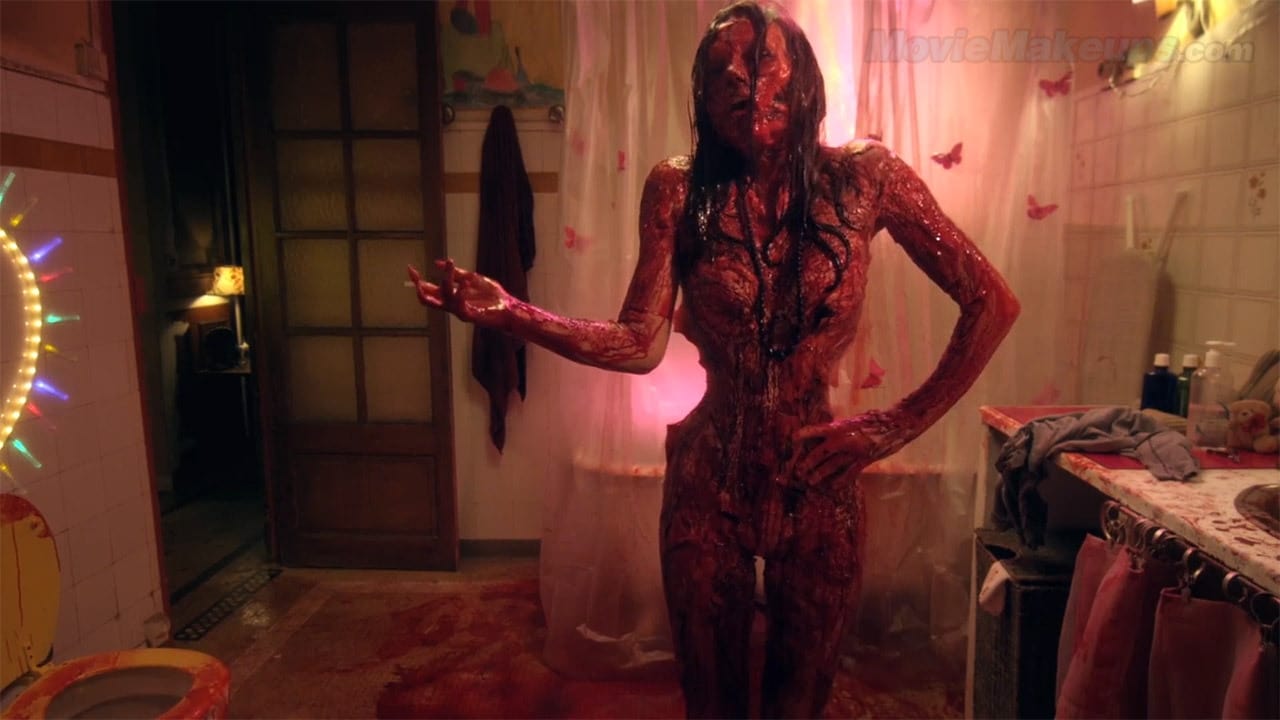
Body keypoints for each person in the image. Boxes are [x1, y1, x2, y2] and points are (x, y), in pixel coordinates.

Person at [409, 1, 1020, 716]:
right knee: (710, 705)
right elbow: (638, 341)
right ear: (702, 97)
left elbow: (991, 301)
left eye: (757, 59)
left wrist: (893, 425)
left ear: (801, 78)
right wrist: (513, 312)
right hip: (708, 484)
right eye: (716, 70)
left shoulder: (865, 179)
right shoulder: (679, 188)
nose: (736, 77)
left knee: (801, 703)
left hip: (817, 484)